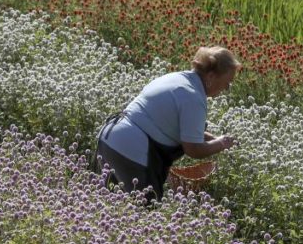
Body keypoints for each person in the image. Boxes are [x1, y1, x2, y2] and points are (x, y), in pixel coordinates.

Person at [95, 46, 241, 201]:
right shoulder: (194, 97)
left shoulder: (178, 79)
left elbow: (175, 127)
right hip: (132, 149)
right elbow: (193, 149)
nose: (227, 88)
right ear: (211, 76)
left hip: (110, 138)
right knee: (143, 210)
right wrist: (222, 144)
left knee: (110, 204)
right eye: (227, 82)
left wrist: (213, 139)